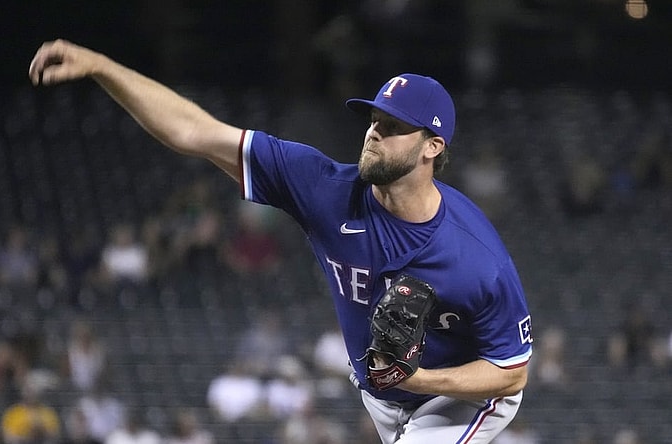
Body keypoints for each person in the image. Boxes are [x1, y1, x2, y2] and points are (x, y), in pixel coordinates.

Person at [29, 39, 533, 443]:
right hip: (382, 394)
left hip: (460, 394)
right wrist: (102, 67)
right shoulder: (324, 188)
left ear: (433, 146)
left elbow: (511, 374)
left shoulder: (476, 258)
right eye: (373, 120)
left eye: (394, 126)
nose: (373, 133)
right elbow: (194, 132)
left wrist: (418, 380)